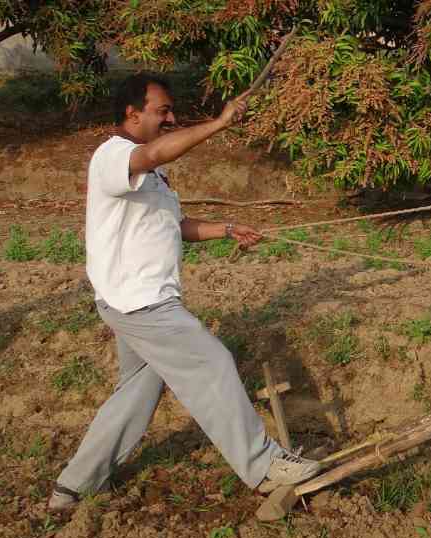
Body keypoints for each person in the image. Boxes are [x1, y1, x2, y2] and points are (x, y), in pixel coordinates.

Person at [48, 73, 319, 511]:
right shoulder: (112, 157)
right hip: (141, 302)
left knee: (137, 391)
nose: (171, 118)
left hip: (140, 299)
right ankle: (265, 466)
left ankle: (73, 486)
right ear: (132, 114)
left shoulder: (154, 174)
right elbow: (152, 151)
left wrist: (227, 229)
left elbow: (173, 226)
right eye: (162, 111)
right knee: (211, 362)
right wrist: (219, 123)